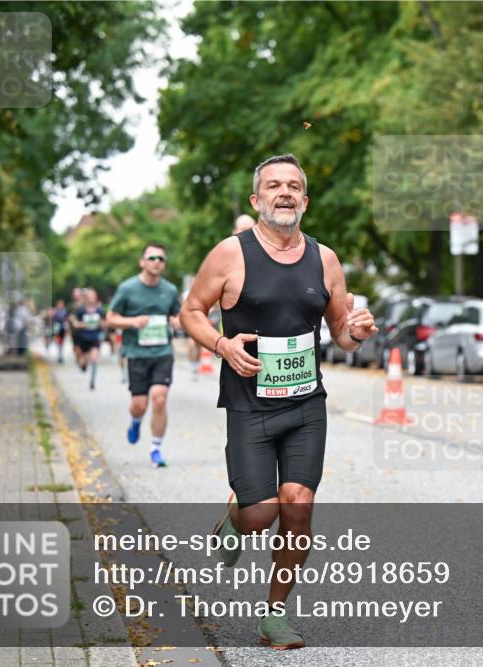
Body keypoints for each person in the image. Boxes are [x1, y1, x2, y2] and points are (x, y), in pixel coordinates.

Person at [180, 154, 377, 650]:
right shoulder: (230, 254)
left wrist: (356, 333)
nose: (284, 192)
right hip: (249, 406)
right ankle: (236, 518)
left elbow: (340, 331)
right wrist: (222, 345)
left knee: (298, 508)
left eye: (293, 186)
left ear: (304, 201)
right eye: (273, 186)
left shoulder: (325, 259)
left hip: (306, 405)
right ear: (257, 199)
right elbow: (192, 311)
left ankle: (274, 614)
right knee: (261, 513)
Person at [106, 244, 182, 467]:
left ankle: (156, 448)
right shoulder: (127, 288)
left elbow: (176, 315)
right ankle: (135, 420)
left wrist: (177, 322)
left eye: (161, 258)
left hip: (163, 351)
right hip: (137, 353)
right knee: (139, 404)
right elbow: (110, 318)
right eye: (152, 258)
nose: (157, 261)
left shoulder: (169, 290)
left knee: (159, 398)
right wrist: (132, 322)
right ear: (143, 262)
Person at [71, 289, 106, 390]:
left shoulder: (100, 310)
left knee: (94, 358)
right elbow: (75, 323)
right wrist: (82, 324)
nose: (91, 299)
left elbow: (105, 323)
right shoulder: (80, 310)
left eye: (92, 297)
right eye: (89, 297)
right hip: (82, 338)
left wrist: (101, 324)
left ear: (96, 298)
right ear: (86, 298)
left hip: (94, 338)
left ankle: (92, 381)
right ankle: (83, 365)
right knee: (84, 360)